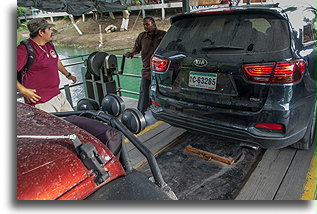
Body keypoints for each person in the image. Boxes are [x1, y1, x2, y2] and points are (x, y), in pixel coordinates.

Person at [17, 18, 77, 113]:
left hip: (57, 95)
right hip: (41, 102)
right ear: (41, 32)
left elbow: (55, 60)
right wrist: (23, 90)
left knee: (74, 123)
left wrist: (68, 75)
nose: (51, 31)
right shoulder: (23, 50)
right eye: (49, 29)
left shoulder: (48, 44)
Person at [125, 17, 166, 115]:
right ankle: (141, 112)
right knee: (144, 91)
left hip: (160, 69)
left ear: (153, 24)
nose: (145, 26)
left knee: (159, 91)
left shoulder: (163, 35)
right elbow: (136, 48)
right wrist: (131, 53)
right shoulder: (142, 37)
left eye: (147, 24)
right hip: (146, 69)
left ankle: (161, 111)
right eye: (144, 25)